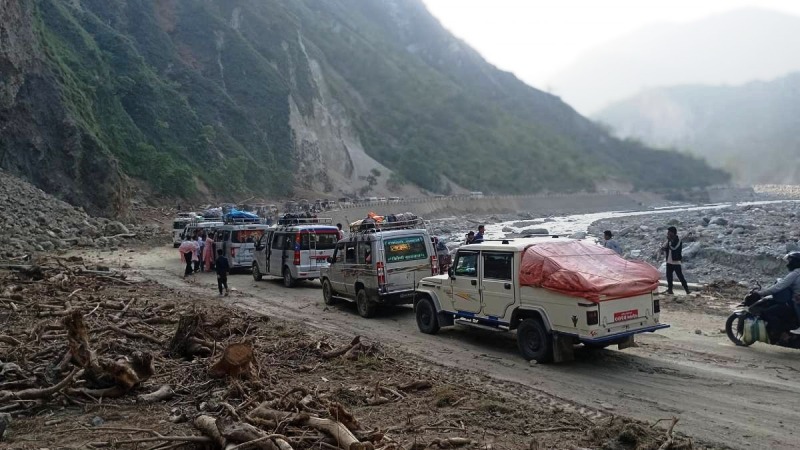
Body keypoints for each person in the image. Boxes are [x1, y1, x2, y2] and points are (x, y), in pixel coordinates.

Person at [753, 251, 800, 334]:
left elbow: (778, 287)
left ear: (795, 262)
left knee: (769, 313)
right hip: (795, 299)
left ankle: (781, 333)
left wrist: (760, 293)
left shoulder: (795, 274)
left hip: (797, 301)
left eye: (790, 261)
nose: (788, 264)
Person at [661, 226, 690, 295]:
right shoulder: (669, 240)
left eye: (669, 232)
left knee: (680, 276)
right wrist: (665, 245)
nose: (668, 233)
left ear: (673, 233)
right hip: (669, 261)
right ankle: (670, 290)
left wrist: (669, 242)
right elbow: (663, 248)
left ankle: (687, 290)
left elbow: (674, 248)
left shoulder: (678, 240)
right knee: (669, 276)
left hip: (676, 261)